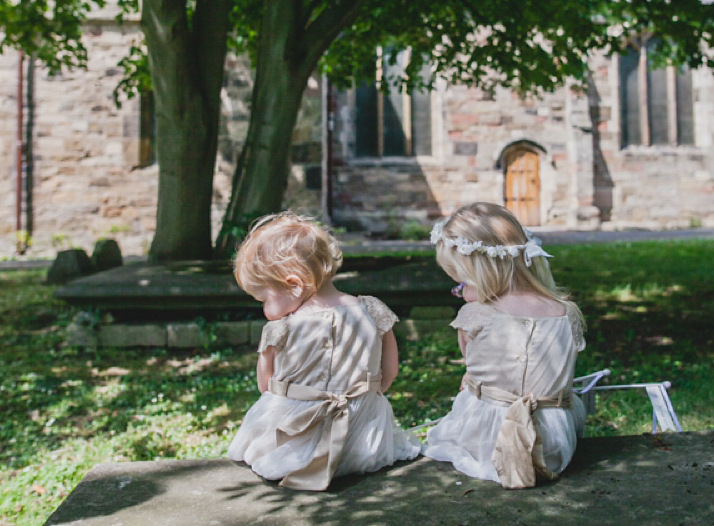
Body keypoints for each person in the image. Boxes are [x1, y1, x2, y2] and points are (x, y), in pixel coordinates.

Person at [226, 213, 419, 490]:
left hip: (298, 429)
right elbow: (389, 373)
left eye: (263, 299)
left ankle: (301, 453)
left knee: (269, 446)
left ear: (294, 285)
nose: (263, 309)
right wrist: (366, 402)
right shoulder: (372, 309)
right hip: (363, 436)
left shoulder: (280, 328)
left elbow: (265, 385)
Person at [422, 202, 586, 489]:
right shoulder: (566, 312)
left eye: (462, 282)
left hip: (488, 439)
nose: (461, 293)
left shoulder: (475, 315)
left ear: (482, 273)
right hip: (552, 442)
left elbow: (474, 367)